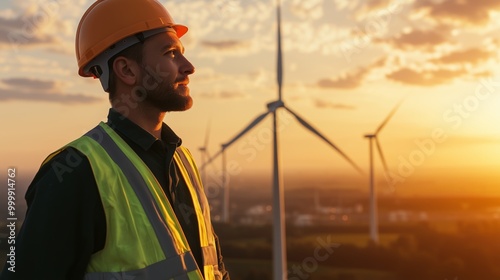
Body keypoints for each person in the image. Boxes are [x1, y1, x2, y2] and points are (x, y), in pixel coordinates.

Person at [0, 0, 230, 279]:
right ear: (127, 71)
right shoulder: (73, 172)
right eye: (171, 53)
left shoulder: (182, 159)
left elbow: (212, 266)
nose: (189, 67)